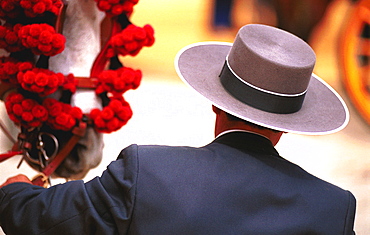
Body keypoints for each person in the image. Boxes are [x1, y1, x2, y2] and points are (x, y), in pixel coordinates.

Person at [0, 24, 356, 234]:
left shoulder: (146, 172)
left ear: (216, 102)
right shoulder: (332, 208)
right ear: (288, 125)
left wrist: (15, 192)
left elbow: (41, 220)